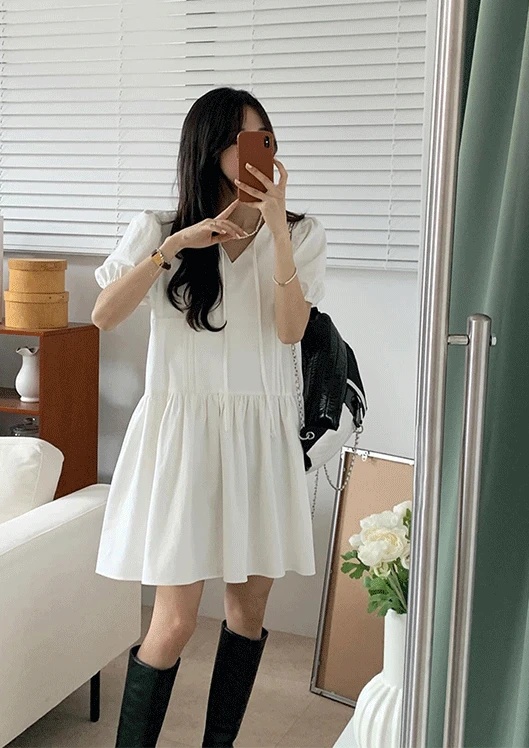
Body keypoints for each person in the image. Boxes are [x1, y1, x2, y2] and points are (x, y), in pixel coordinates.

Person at [91, 86, 327, 748]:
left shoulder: (302, 234)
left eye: (262, 138)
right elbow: (103, 315)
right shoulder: (159, 229)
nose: (252, 153)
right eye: (236, 140)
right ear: (206, 149)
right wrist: (174, 246)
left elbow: (290, 331)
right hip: (184, 439)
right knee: (172, 621)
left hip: (262, 438)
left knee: (247, 613)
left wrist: (276, 231)